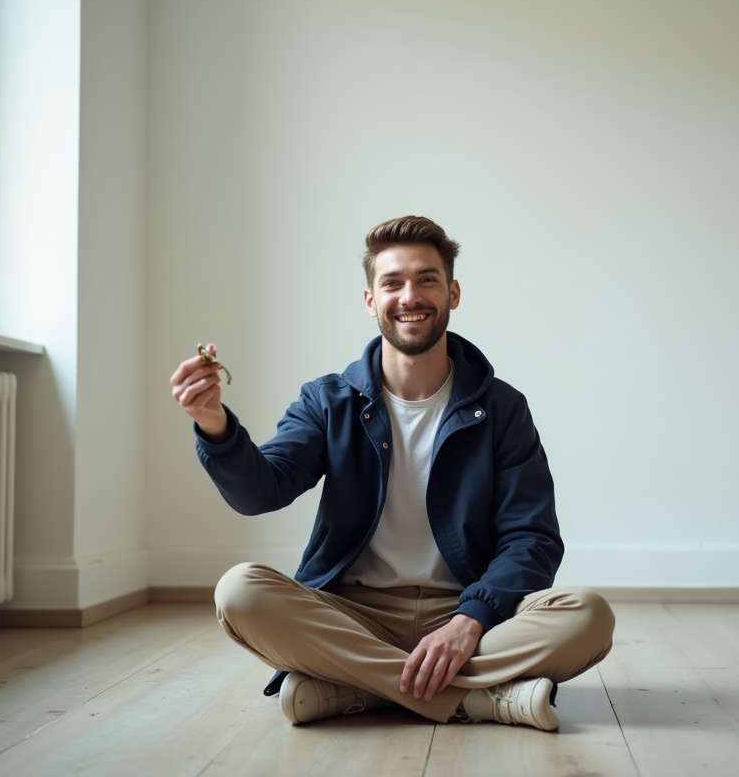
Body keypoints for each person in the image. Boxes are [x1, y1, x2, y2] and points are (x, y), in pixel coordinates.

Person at [169, 216, 614, 731]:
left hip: (469, 609)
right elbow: (261, 491)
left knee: (589, 615)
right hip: (354, 614)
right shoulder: (327, 400)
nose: (411, 296)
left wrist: (471, 621)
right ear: (370, 301)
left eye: (427, 279)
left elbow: (531, 538)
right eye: (392, 282)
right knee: (239, 591)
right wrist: (214, 425)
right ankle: (476, 700)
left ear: (453, 292)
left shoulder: (503, 408)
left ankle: (356, 687)